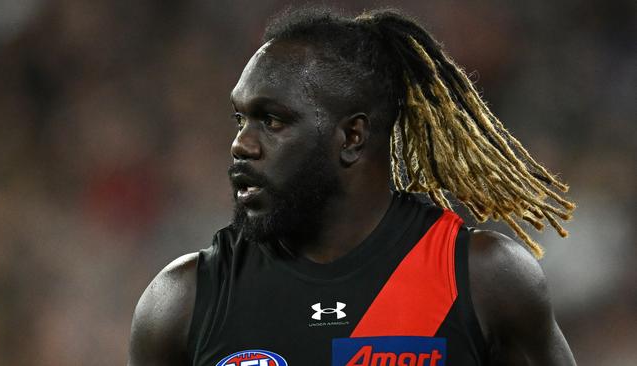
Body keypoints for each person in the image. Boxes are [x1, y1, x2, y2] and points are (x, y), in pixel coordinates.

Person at [128, 7, 577, 366]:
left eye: (272, 120)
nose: (241, 144)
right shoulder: (183, 301)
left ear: (352, 137)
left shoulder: (483, 279)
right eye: (240, 119)